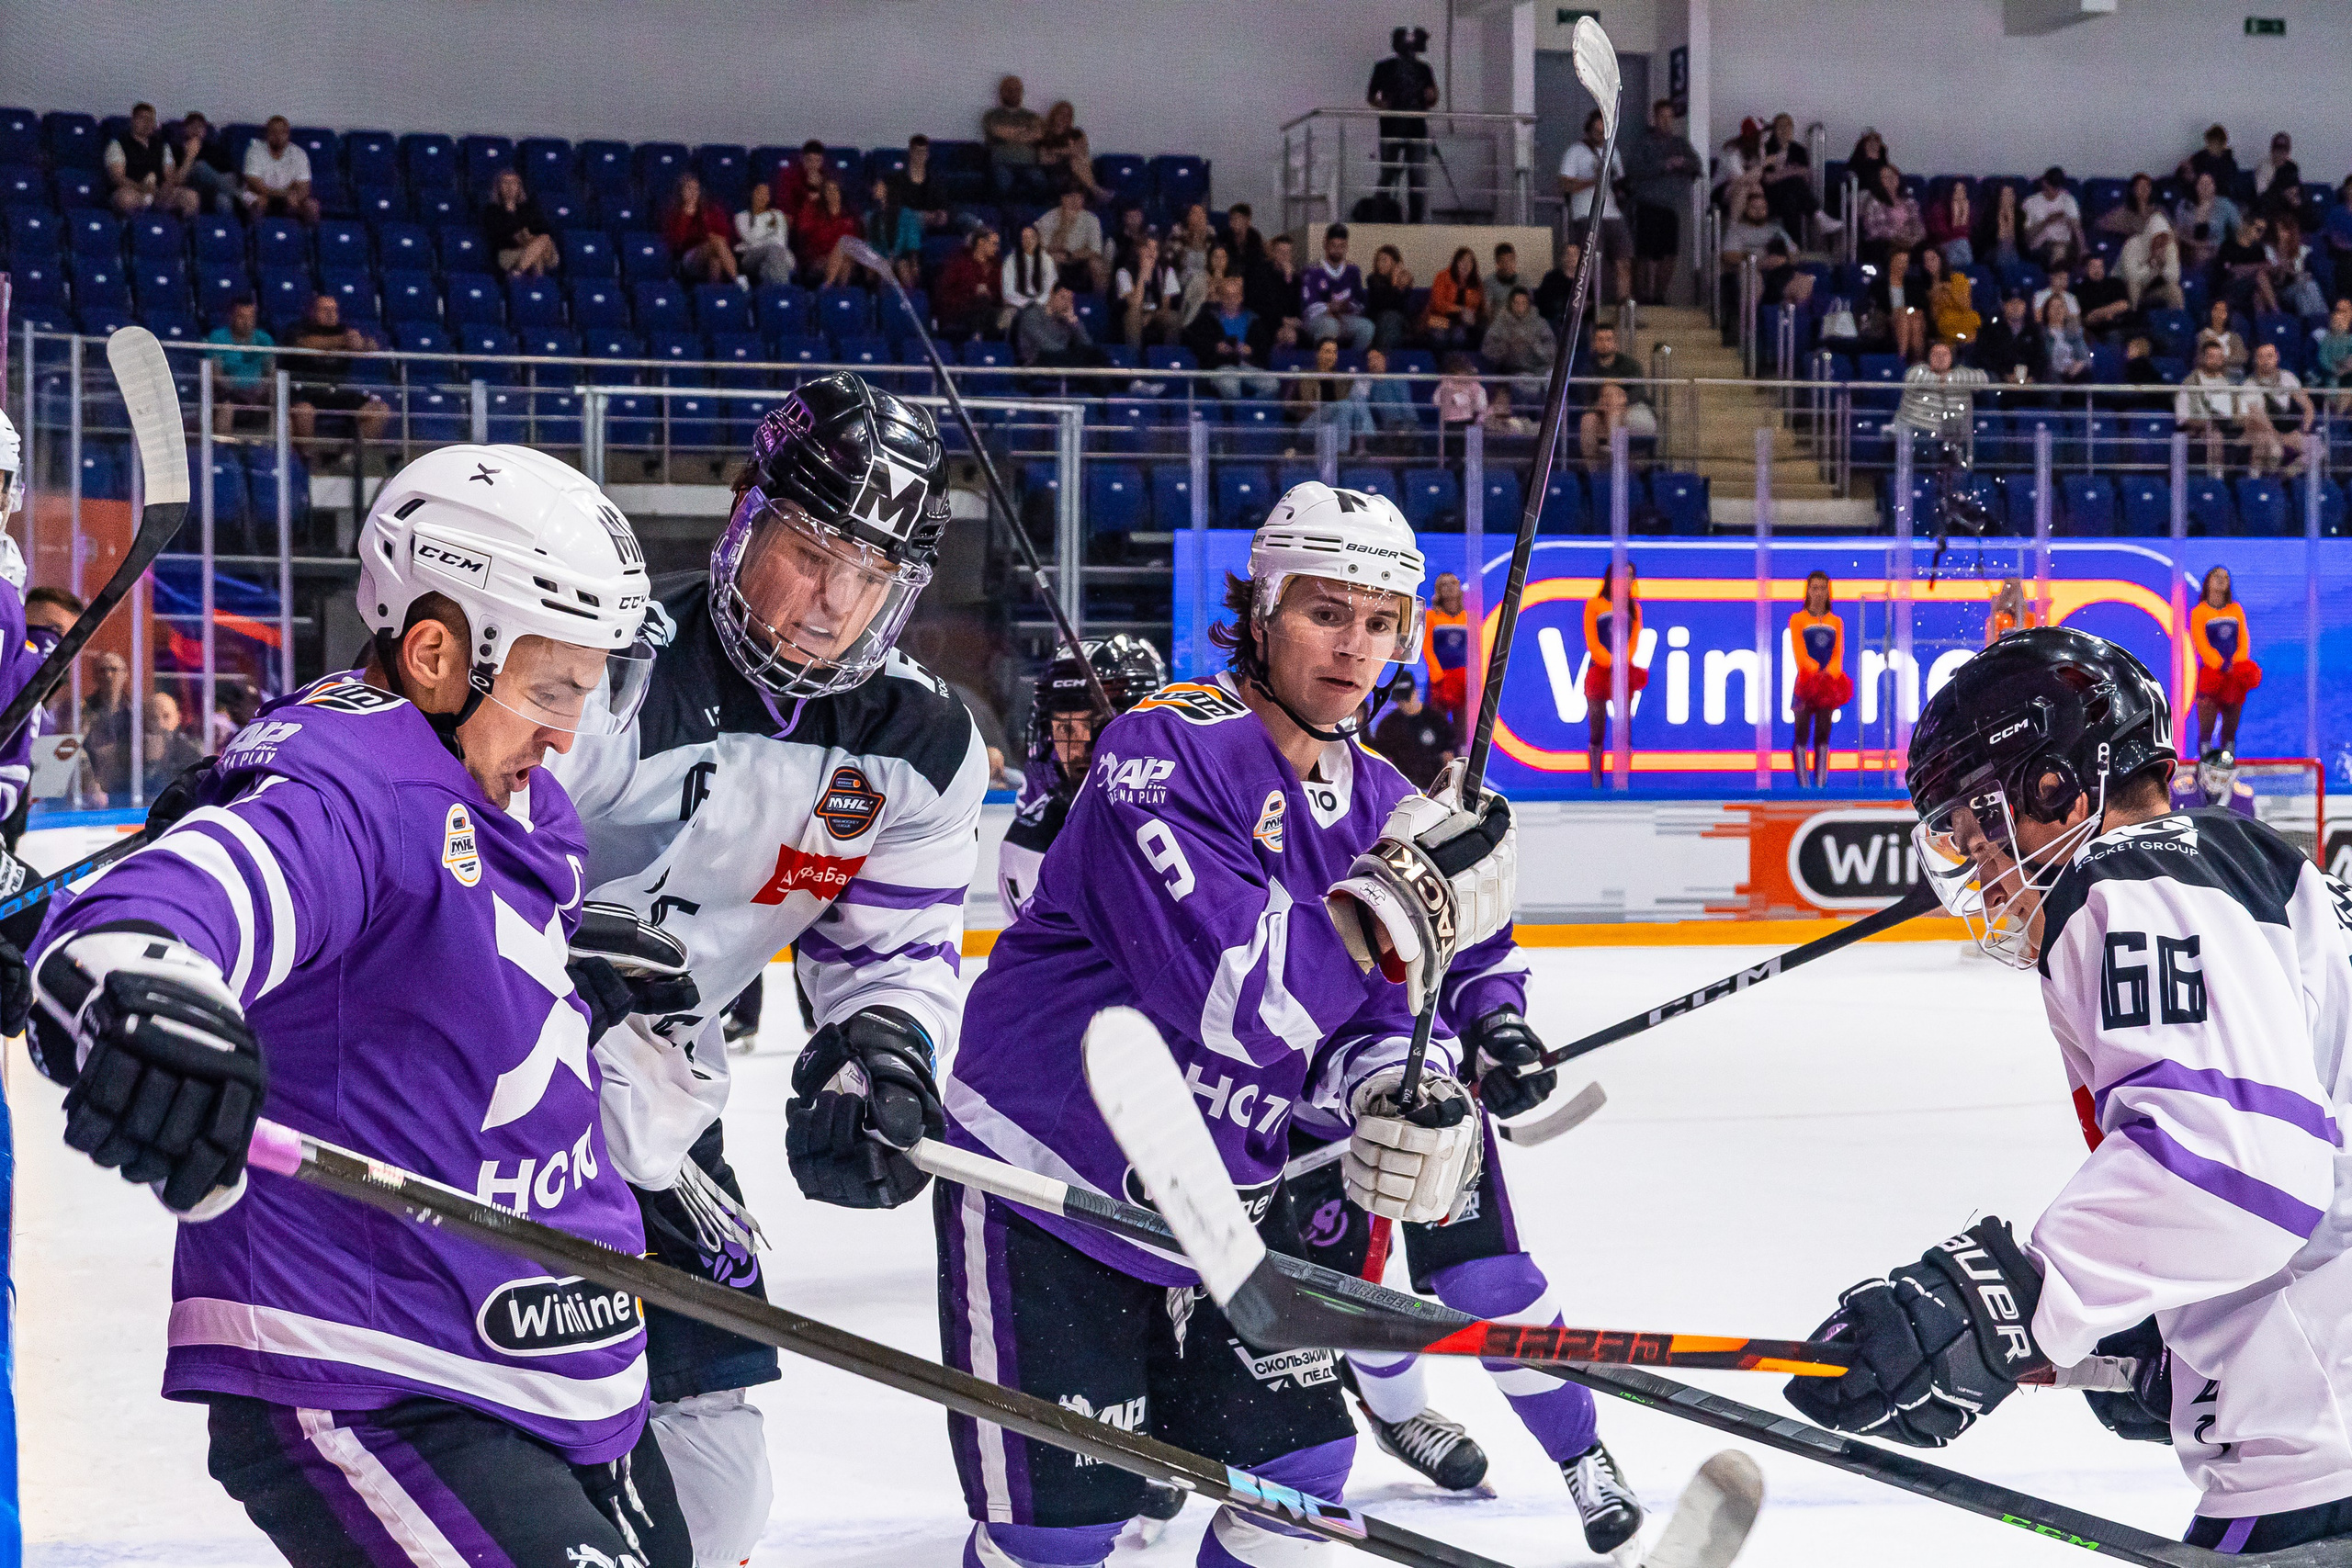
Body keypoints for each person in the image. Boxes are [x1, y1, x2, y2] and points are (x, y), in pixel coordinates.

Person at [28, 443, 693, 1567]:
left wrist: (537, 976)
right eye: (552, 689)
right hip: (385, 1371)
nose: (569, 731)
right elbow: (189, 896)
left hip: (563, 1363)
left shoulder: (518, 794)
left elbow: (427, 936)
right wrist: (139, 975)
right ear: (436, 652)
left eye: (591, 689)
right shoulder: (347, 782)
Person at [937, 481, 1528, 1568]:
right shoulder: (1157, 749)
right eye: (1324, 611)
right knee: (1059, 1538)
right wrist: (1391, 902)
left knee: (1298, 1485)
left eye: (1379, 621)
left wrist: (1400, 1088)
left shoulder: (1381, 795)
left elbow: (1372, 1018)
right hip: (1052, 1182)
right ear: (1259, 610)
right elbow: (1238, 1003)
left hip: (1222, 1207)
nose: (1352, 646)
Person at [545, 375, 984, 1568]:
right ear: (744, 519)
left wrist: (881, 1052)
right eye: (808, 553)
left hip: (663, 1114)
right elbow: (445, 851)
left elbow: (893, 951)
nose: (832, 603)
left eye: (872, 574)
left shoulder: (919, 745)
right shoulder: (609, 674)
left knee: (716, 1488)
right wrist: (548, 961)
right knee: (502, 1453)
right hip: (486, 1097)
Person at [1796, 626, 2352, 1559]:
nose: (1977, 862)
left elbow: (2238, 1172)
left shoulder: (2136, 873)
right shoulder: (2254, 876)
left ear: (2056, 784)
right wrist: (2167, 1329)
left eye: (1979, 823)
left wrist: (2017, 1300)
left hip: (2323, 1459)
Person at [997, 634, 1166, 919]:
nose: (1080, 749)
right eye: (1066, 729)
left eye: (1099, 726)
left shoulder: (1194, 801)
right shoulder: (1034, 837)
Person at [285, 294, 390, 459]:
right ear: (313, 311)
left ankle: (348, 459)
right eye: (325, 309)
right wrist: (342, 341)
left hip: (339, 392)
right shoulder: (299, 328)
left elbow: (370, 344)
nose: (330, 314)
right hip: (308, 391)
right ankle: (308, 458)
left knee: (380, 410)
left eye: (334, 310)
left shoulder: (344, 329)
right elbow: (305, 344)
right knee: (304, 411)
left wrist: (364, 344)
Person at [1625, 99, 1702, 305]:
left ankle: (1659, 297)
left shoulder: (1680, 144)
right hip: (1647, 204)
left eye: (1670, 117)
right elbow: (1633, 170)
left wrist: (1683, 163)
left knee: (1669, 254)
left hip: (1672, 207)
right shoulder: (1644, 143)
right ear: (1654, 118)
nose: (1667, 122)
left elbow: (1697, 165)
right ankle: (1642, 296)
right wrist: (1664, 165)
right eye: (1663, 117)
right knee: (1644, 253)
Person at [1787, 571, 1852, 790]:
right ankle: (1803, 785)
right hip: (1805, 683)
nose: (1818, 593)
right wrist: (1814, 670)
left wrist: (1830, 673)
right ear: (1808, 591)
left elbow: (1838, 653)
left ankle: (1821, 783)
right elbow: (1799, 652)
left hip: (1828, 685)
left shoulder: (1836, 622)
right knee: (1801, 732)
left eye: (1823, 588)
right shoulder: (1798, 619)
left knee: (1823, 732)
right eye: (1814, 588)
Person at [1367, 25, 1439, 220]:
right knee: (1388, 174)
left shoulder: (1423, 69)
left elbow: (1432, 97)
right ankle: (1379, 218)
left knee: (1417, 177)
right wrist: (1384, 105)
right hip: (1392, 127)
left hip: (1416, 128)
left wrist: (1430, 97)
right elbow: (1371, 96)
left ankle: (1414, 221)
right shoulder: (1384, 67)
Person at [1582, 560, 1643, 787]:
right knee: (1597, 731)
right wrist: (1609, 661)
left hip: (1623, 674)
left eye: (1630, 575)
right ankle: (1596, 784)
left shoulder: (1634, 609)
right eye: (1622, 575)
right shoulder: (1594, 605)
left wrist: (1622, 662)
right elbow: (1592, 641)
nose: (1626, 580)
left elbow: (1634, 641)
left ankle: (1622, 782)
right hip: (1598, 672)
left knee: (1624, 730)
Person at [1560, 109, 1631, 305]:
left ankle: (1623, 304)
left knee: (1624, 258)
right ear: (1589, 130)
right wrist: (1595, 180)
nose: (1600, 136)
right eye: (1597, 131)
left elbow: (1619, 181)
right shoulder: (1576, 151)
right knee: (1589, 261)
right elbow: (1564, 184)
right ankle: (1591, 303)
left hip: (1612, 213)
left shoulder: (1613, 152)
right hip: (1586, 213)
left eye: (1604, 132)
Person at [2189, 565, 2260, 753]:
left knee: (2231, 721)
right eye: (2217, 576)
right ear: (2208, 581)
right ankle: (2205, 752)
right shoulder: (2199, 612)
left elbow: (2243, 639)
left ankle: (2228, 753)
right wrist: (2219, 664)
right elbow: (2200, 643)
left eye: (2225, 577)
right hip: (2211, 675)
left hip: (2234, 675)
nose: (2221, 580)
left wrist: (2236, 663)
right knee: (2207, 719)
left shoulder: (2236, 610)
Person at [1186, 275, 1277, 400]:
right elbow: (1193, 340)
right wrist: (1215, 347)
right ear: (1220, 297)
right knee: (1230, 386)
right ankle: (1235, 411)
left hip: (1247, 365)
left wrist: (1250, 350)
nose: (1231, 300)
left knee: (1273, 385)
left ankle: (1249, 409)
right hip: (1221, 366)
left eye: (1235, 296)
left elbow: (1263, 347)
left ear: (1241, 297)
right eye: (1226, 296)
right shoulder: (1208, 317)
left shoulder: (1253, 319)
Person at [104, 101, 196, 219]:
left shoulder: (163, 146)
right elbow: (117, 177)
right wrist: (142, 188)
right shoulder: (117, 144)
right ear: (133, 121)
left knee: (190, 197)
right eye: (143, 119)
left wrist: (189, 157)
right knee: (125, 199)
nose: (147, 123)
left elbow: (170, 176)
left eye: (151, 120)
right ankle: (130, 227)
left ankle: (182, 228)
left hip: (158, 193)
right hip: (133, 191)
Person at [1367, 670, 1453, 789]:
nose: (1403, 704)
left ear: (1415, 692)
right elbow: (1379, 760)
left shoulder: (1435, 719)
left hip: (1432, 787)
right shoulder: (1388, 726)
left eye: (1406, 699)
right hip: (1401, 788)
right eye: (1399, 700)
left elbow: (1448, 756)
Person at [1286, 338, 1375, 452]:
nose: (1331, 356)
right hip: (1311, 424)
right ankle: (1344, 450)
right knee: (1345, 405)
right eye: (1327, 351)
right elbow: (1305, 402)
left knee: (1353, 400)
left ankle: (1356, 447)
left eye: (1334, 352)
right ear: (1318, 354)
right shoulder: (1307, 375)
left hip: (1335, 422)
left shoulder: (1341, 378)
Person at [1894, 341, 1987, 450]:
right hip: (1919, 430)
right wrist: (1945, 381)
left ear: (1952, 357)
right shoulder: (1917, 370)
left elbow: (1982, 379)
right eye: (1936, 354)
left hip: (1954, 433)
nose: (1940, 358)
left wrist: (1945, 380)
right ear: (1928, 357)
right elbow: (1912, 378)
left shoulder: (1961, 372)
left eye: (1944, 354)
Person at [202, 298, 275, 436]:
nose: (246, 322)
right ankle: (221, 448)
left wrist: (261, 390)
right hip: (229, 395)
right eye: (241, 317)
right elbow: (216, 375)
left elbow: (270, 373)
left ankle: (282, 449)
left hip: (259, 396)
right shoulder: (217, 337)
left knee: (283, 412)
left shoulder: (265, 339)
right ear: (231, 317)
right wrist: (239, 392)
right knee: (227, 410)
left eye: (250, 317)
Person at [2176, 338, 2247, 478]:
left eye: (2219, 357)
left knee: (2259, 437)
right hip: (2201, 430)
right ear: (2202, 358)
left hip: (2231, 428)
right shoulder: (2189, 383)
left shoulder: (2230, 383)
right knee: (2215, 434)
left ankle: (2253, 482)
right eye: (2211, 357)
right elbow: (2182, 418)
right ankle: (2216, 479)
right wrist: (2206, 423)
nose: (2215, 361)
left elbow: (2242, 413)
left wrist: (2237, 421)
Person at [2242, 340, 2314, 477]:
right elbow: (2259, 418)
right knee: (2275, 452)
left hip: (2288, 432)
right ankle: (2268, 482)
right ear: (2255, 360)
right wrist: (2280, 437)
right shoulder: (2250, 384)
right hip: (2264, 432)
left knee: (2317, 450)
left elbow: (2308, 408)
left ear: (2277, 357)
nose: (2265, 361)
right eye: (2261, 357)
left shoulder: (2288, 377)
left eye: (2269, 356)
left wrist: (2304, 430)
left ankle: (2285, 476)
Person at [1301, 223, 1374, 352]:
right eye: (1333, 245)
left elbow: (1360, 302)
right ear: (1325, 244)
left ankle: (1352, 361)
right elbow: (1308, 307)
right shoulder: (1313, 271)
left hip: (1343, 317)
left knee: (1367, 327)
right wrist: (1329, 307)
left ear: (1346, 247)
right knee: (1330, 324)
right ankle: (1325, 361)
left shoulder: (1352, 271)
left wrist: (1346, 307)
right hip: (1319, 320)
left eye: (1341, 246)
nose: (1337, 250)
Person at [662, 174, 739, 287]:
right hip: (686, 258)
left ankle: (714, 293)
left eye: (696, 189)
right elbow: (677, 242)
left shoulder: (709, 210)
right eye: (689, 189)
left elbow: (724, 234)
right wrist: (686, 215)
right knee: (715, 241)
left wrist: (705, 222)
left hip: (712, 252)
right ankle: (738, 283)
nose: (693, 193)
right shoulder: (675, 213)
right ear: (681, 192)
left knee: (715, 260)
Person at [481, 168, 559, 278]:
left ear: (519, 187)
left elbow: (544, 228)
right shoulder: (491, 210)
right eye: (505, 183)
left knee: (544, 240)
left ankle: (517, 272)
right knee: (537, 255)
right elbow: (496, 236)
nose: (510, 187)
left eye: (514, 183)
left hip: (534, 246)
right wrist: (520, 236)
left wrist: (527, 237)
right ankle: (536, 283)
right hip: (508, 252)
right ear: (498, 187)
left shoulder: (528, 208)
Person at [239, 116, 317, 222]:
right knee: (258, 202)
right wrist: (282, 194)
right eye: (273, 132)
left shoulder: (299, 154)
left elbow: (304, 187)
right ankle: (253, 231)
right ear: (267, 134)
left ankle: (305, 233)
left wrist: (296, 197)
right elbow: (254, 182)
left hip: (288, 198)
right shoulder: (255, 150)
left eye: (282, 132)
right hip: (259, 194)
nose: (278, 136)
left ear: (288, 135)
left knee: (312, 206)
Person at [982, 74, 1048, 198]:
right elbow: (1000, 132)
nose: (1013, 93)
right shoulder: (992, 115)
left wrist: (1011, 134)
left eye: (1017, 89)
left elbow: (1038, 134)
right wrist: (1025, 133)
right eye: (1009, 89)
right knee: (1003, 183)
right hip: (1001, 164)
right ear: (1001, 92)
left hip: (1029, 165)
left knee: (1040, 181)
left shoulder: (1032, 116)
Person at [1420, 570, 1470, 734]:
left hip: (1463, 679)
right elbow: (1426, 647)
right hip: (1439, 680)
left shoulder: (1468, 616)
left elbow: (1475, 648)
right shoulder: (1431, 616)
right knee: (1437, 725)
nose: (1449, 587)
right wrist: (1438, 676)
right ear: (1438, 590)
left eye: (1452, 583)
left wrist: (1471, 676)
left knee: (1464, 727)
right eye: (1444, 584)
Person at [1114, 234, 1184, 350]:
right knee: (1133, 316)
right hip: (1131, 316)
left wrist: (1151, 316)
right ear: (1139, 250)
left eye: (1155, 249)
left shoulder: (1165, 271)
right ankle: (1133, 357)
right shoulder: (1124, 272)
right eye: (1148, 247)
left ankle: (1168, 356)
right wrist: (1143, 275)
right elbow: (1134, 304)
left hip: (1155, 315)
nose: (1151, 253)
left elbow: (1165, 306)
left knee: (1174, 317)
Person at [1015, 283, 1108, 370]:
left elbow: (1087, 344)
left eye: (1069, 300)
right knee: (1087, 360)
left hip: (1063, 360)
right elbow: (1047, 346)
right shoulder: (1032, 315)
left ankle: (1112, 379)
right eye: (1063, 298)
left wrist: (1075, 323)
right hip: (1038, 361)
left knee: (1096, 354)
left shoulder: (1065, 319)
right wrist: (1073, 355)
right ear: (1052, 295)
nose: (1065, 303)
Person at [933, 227, 1002, 342]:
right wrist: (973, 293)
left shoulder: (997, 266)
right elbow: (945, 294)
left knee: (990, 310)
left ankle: (982, 340)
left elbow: (1001, 294)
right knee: (982, 304)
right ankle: (978, 341)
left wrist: (990, 295)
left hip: (990, 310)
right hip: (961, 311)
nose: (997, 248)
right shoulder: (959, 263)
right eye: (994, 244)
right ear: (981, 242)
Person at [1481, 288, 1554, 395]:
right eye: (1516, 303)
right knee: (1530, 387)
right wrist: (1507, 347)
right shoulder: (1500, 324)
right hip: (1517, 371)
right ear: (1510, 304)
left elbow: (1552, 351)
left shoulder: (1540, 323)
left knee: (1554, 378)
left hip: (1541, 369)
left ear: (1529, 304)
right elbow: (1487, 350)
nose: (1520, 306)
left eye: (1523, 303)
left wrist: (1534, 344)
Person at [792, 179, 862, 289]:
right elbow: (803, 231)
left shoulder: (849, 217)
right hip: (819, 260)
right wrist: (810, 202)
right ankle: (838, 294)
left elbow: (857, 244)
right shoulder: (816, 215)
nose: (832, 193)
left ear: (840, 193)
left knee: (845, 261)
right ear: (823, 194)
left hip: (846, 260)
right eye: (828, 190)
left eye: (835, 190)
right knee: (842, 261)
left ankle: (828, 289)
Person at [1035, 99, 1108, 204]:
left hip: (1078, 166)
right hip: (1056, 168)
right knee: (1075, 160)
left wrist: (1057, 151)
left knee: (1077, 160)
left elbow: (1083, 152)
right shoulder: (1045, 134)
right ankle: (1096, 190)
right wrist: (1068, 151)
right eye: (1061, 113)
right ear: (1054, 115)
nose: (1064, 117)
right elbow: (1044, 159)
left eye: (1068, 115)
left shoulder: (1076, 133)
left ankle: (1094, 191)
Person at [1246, 232, 1305, 361]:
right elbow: (1259, 304)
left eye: (1287, 252)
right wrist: (1281, 320)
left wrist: (1288, 280)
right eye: (1280, 252)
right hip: (1266, 321)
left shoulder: (1295, 278)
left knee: (1298, 333)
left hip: (1289, 323)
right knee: (1288, 335)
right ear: (1273, 253)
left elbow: (1295, 307)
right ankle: (1279, 366)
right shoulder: (1261, 273)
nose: (1284, 256)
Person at [1038, 186, 1107, 296]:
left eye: (1079, 197)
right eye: (1070, 197)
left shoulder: (1091, 219)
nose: (1075, 201)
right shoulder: (1049, 218)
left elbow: (1094, 251)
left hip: (1079, 260)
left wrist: (1070, 255)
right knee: (1051, 260)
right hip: (1058, 260)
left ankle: (1101, 300)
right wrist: (1065, 224)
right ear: (1062, 198)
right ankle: (1049, 297)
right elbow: (1046, 249)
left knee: (1096, 264)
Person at [1860, 164, 1926, 268]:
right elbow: (1873, 230)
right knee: (1891, 252)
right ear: (1879, 182)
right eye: (1885, 177)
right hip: (1886, 243)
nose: (1890, 179)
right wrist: (1900, 236)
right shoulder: (1874, 201)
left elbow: (1918, 225)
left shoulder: (1909, 201)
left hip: (1910, 242)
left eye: (1893, 176)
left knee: (1931, 253)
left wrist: (1913, 238)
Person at [173, 111, 239, 215]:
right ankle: (239, 195)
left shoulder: (214, 149)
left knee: (224, 201)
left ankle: (223, 227)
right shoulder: (177, 150)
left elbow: (231, 172)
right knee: (200, 167)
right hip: (192, 189)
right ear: (185, 129)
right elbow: (177, 180)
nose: (196, 130)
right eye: (192, 126)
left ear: (204, 131)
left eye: (200, 127)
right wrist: (190, 156)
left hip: (214, 191)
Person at [2174, 172, 2240, 273]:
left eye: (2209, 184)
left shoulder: (2225, 204)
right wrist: (2196, 244)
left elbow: (2238, 228)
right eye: (2202, 184)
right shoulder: (2184, 205)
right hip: (2189, 249)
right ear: (2196, 186)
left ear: (2215, 186)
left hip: (2217, 249)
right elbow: (2178, 232)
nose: (2205, 187)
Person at [733, 181, 796, 287]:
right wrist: (763, 219)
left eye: (766, 194)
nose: (762, 197)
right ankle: (784, 290)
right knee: (773, 250)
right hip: (750, 256)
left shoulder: (778, 215)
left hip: (776, 256)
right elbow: (751, 240)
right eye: (759, 193)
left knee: (766, 268)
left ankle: (772, 293)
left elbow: (781, 240)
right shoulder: (742, 217)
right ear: (752, 194)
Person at [2021, 166, 2085, 269]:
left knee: (2062, 248)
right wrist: (2047, 221)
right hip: (2040, 246)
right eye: (2053, 187)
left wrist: (2083, 248)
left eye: (2057, 188)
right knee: (2059, 250)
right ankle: (2057, 275)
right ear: (2044, 183)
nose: (2055, 191)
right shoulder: (2030, 203)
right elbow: (2027, 236)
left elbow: (2077, 227)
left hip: (2065, 243)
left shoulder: (2068, 200)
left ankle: (2059, 274)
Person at [2170, 746, 2258, 818]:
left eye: (2223, 779)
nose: (2218, 782)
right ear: (2203, 771)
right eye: (2214, 777)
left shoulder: (2242, 797)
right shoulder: (2180, 790)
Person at [2120, 216, 2185, 313]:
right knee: (2133, 287)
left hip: (2153, 289)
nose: (2161, 241)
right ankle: (2132, 315)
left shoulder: (2170, 248)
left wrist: (2162, 265)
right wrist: (2151, 265)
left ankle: (2177, 319)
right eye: (2159, 237)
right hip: (2129, 287)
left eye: (2164, 237)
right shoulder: (2133, 245)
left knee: (2175, 291)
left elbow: (2174, 277)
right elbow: (2132, 276)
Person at [1424, 247, 1483, 352]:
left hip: (1461, 323)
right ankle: (1440, 362)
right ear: (1455, 263)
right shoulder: (1442, 277)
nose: (1466, 265)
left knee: (1459, 336)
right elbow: (1438, 304)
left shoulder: (1476, 283)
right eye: (1462, 261)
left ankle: (1454, 361)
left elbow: (1476, 309)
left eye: (1470, 262)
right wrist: (1460, 309)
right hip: (1439, 319)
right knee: (1439, 336)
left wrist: (1472, 317)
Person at [1973, 293, 2041, 386]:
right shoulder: (1990, 330)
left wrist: (2033, 377)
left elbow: (2041, 358)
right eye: (2011, 303)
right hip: (1999, 381)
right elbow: (1984, 357)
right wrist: (2004, 375)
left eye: (2019, 303)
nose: (2015, 307)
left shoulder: (2034, 331)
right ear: (2004, 306)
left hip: (2030, 383)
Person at [888, 135, 949, 233]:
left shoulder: (934, 179)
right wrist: (921, 216)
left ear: (928, 155)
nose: (920, 156)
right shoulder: (898, 178)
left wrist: (942, 214)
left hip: (932, 221)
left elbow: (942, 202)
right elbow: (895, 207)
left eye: (923, 152)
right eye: (917, 152)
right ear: (910, 153)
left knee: (965, 218)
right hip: (907, 221)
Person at [1001, 222, 1055, 322]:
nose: (1029, 241)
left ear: (1037, 239)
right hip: (1016, 304)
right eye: (1025, 238)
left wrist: (1036, 304)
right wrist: (1025, 304)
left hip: (1041, 304)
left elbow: (1049, 288)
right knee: (1007, 318)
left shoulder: (1047, 260)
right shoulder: (1010, 260)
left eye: (1032, 237)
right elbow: (1008, 291)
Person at [2177, 123, 2241, 197]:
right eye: (2209, 143)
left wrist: (2199, 180)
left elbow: (2228, 186)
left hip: (2219, 197)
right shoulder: (2200, 156)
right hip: (2197, 195)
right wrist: (2186, 171)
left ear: (2223, 144)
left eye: (2215, 143)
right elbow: (2182, 173)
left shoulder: (2229, 163)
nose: (2211, 146)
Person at [2098, 174, 2163, 241]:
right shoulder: (2125, 211)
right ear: (2133, 190)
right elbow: (2101, 223)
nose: (2144, 188)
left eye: (2147, 185)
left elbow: (2168, 227)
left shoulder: (2158, 209)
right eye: (2140, 185)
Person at [1927, 182, 1974, 270]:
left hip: (1961, 247)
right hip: (1942, 245)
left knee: (1963, 244)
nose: (1960, 194)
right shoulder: (1938, 208)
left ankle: (1962, 272)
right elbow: (1942, 235)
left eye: (1963, 191)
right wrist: (1956, 216)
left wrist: (1964, 216)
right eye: (1957, 191)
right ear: (1950, 192)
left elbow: (1969, 234)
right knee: (1962, 244)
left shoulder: (1967, 208)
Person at [1984, 576, 2041, 646]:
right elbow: (1991, 644)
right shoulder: (1997, 619)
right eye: (2010, 590)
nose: (2013, 595)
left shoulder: (2031, 618)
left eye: (2016, 589)